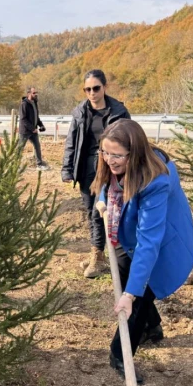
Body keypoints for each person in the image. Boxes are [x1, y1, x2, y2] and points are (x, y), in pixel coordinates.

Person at [91, 119, 193, 385]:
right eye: (105, 152)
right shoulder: (113, 161)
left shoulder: (155, 180)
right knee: (132, 281)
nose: (109, 160)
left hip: (162, 243)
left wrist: (129, 295)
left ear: (134, 153)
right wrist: (103, 199)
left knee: (137, 295)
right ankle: (153, 327)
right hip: (129, 235)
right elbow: (106, 182)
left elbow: (149, 241)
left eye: (117, 155)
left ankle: (119, 354)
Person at [61, 69, 131, 278]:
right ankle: (99, 254)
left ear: (104, 88)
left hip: (109, 167)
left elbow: (129, 139)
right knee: (91, 210)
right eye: (88, 89)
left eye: (96, 88)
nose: (92, 92)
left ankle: (100, 256)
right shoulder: (80, 112)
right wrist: (67, 168)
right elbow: (71, 142)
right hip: (85, 169)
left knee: (100, 211)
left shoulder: (118, 111)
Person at [18, 86, 49, 170]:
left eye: (36, 92)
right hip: (25, 131)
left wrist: (41, 125)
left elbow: (36, 117)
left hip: (33, 131)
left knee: (37, 146)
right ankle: (15, 165)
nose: (36, 94)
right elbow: (23, 119)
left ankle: (39, 164)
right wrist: (32, 128)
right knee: (20, 148)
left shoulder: (35, 103)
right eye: (34, 93)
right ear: (28, 94)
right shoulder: (24, 104)